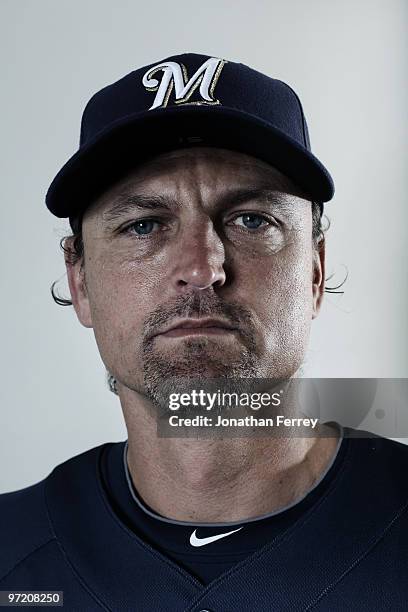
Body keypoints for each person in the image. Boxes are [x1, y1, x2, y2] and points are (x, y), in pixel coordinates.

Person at [1, 53, 407, 611]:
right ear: (81, 281)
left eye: (252, 220)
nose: (202, 266)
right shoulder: (12, 553)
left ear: (313, 272)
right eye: (143, 225)